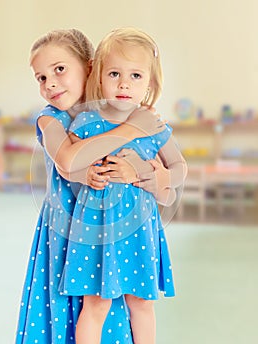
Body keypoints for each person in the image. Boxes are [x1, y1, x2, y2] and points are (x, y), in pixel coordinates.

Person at [15, 28, 169, 344]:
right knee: (74, 306)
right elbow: (69, 162)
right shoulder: (50, 119)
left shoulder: (119, 112)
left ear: (90, 66)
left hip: (111, 231)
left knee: (109, 304)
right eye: (41, 78)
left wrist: (147, 174)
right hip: (67, 230)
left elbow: (158, 167)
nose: (51, 83)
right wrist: (130, 129)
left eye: (59, 69)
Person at [59, 27, 187, 344]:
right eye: (114, 73)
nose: (124, 84)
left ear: (150, 84)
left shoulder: (154, 126)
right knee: (96, 303)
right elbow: (71, 164)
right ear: (100, 77)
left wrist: (160, 179)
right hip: (95, 227)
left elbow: (180, 167)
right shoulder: (86, 123)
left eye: (135, 76)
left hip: (138, 227)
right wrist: (87, 172)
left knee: (141, 303)